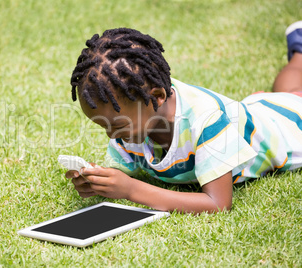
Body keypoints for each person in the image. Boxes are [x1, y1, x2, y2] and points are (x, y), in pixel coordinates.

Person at [65, 22, 302, 214]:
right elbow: (122, 169)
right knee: (286, 92)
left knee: (292, 96)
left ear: (157, 97)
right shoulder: (132, 116)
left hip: (291, 125)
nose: (110, 134)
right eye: (102, 125)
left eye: (117, 125)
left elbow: (218, 203)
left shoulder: (206, 121)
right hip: (258, 109)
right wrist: (98, 180)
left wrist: (130, 190)